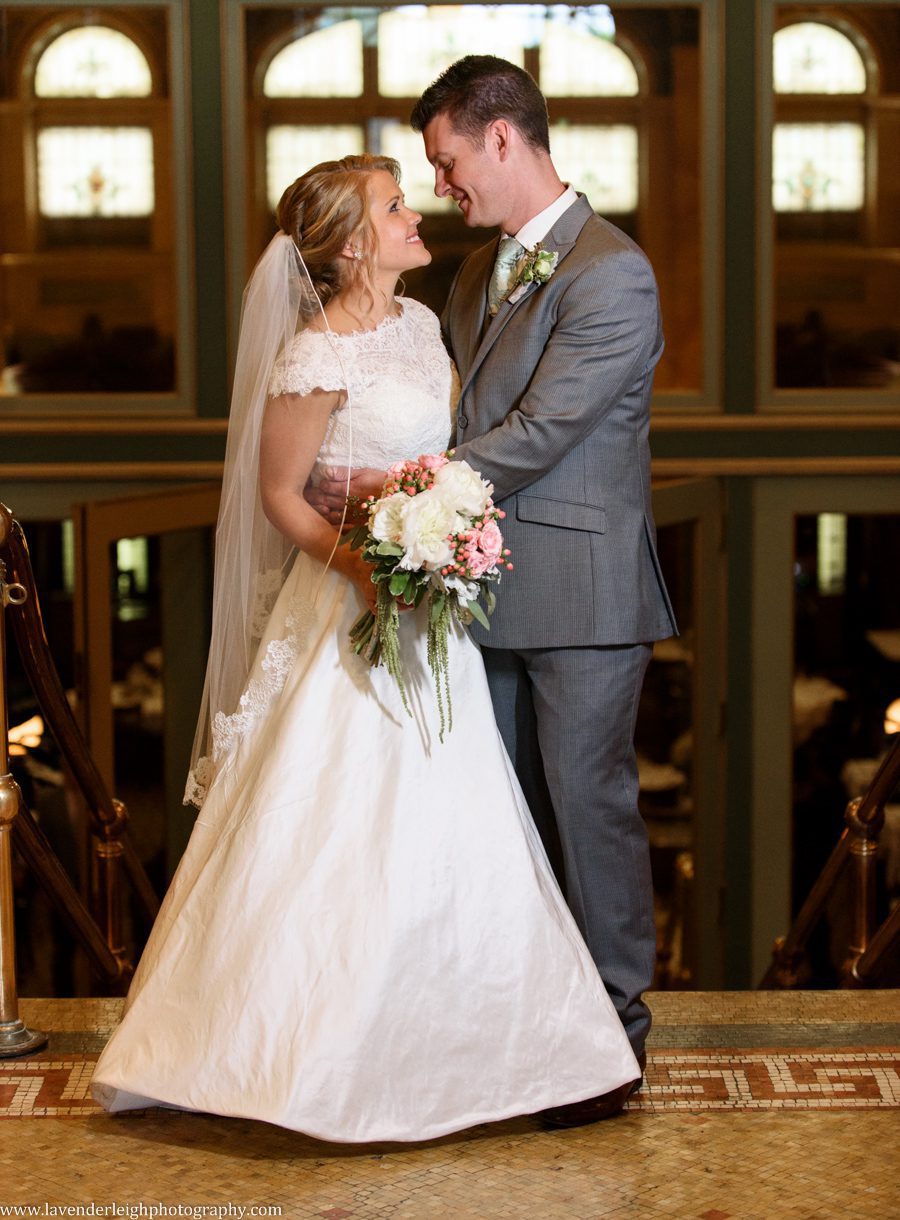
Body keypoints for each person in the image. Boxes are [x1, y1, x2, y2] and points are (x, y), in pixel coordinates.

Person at [90, 154, 639, 1143]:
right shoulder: (312, 355)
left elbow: (445, 456)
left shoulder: (425, 324)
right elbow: (280, 495)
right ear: (351, 244)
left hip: (434, 611)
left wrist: (437, 530)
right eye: (394, 206)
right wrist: (364, 565)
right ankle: (298, 1051)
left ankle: (463, 1045)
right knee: (335, 820)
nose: (415, 212)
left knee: (455, 822)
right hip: (350, 603)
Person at [315, 59, 678, 1127]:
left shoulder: (614, 274)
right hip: (472, 586)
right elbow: (454, 410)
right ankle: (529, 1026)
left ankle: (613, 1041)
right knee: (505, 818)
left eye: (447, 161)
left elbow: (541, 432)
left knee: (586, 808)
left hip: (583, 595)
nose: (440, 185)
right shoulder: (475, 272)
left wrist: (392, 486)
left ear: (504, 139)